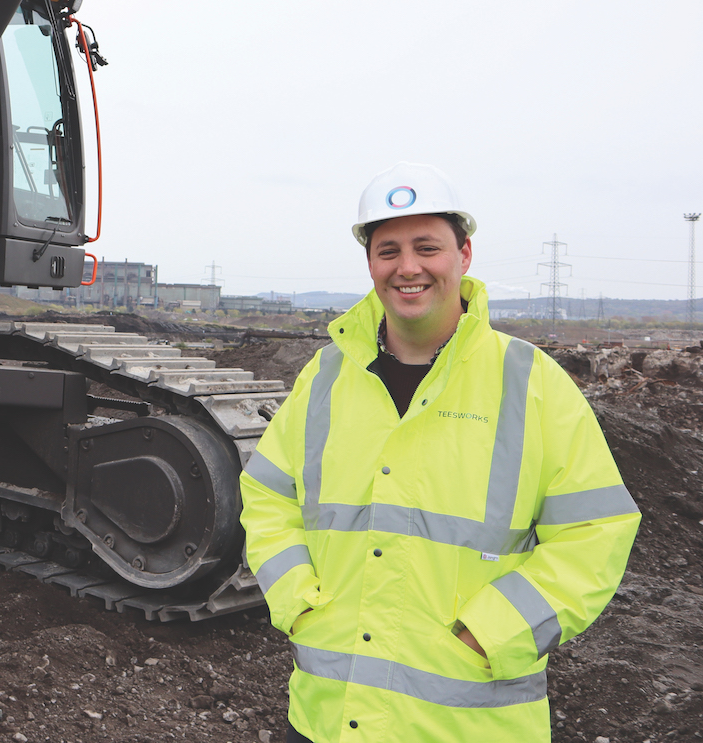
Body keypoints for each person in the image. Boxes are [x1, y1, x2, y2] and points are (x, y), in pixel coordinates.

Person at [239, 162, 639, 743]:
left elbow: (597, 528)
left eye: (427, 247)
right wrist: (298, 598)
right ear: (370, 263)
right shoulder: (326, 376)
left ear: (464, 255)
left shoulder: (530, 382)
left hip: (468, 726)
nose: (408, 267)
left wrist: (496, 629)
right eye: (388, 250)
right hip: (326, 718)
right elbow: (268, 495)